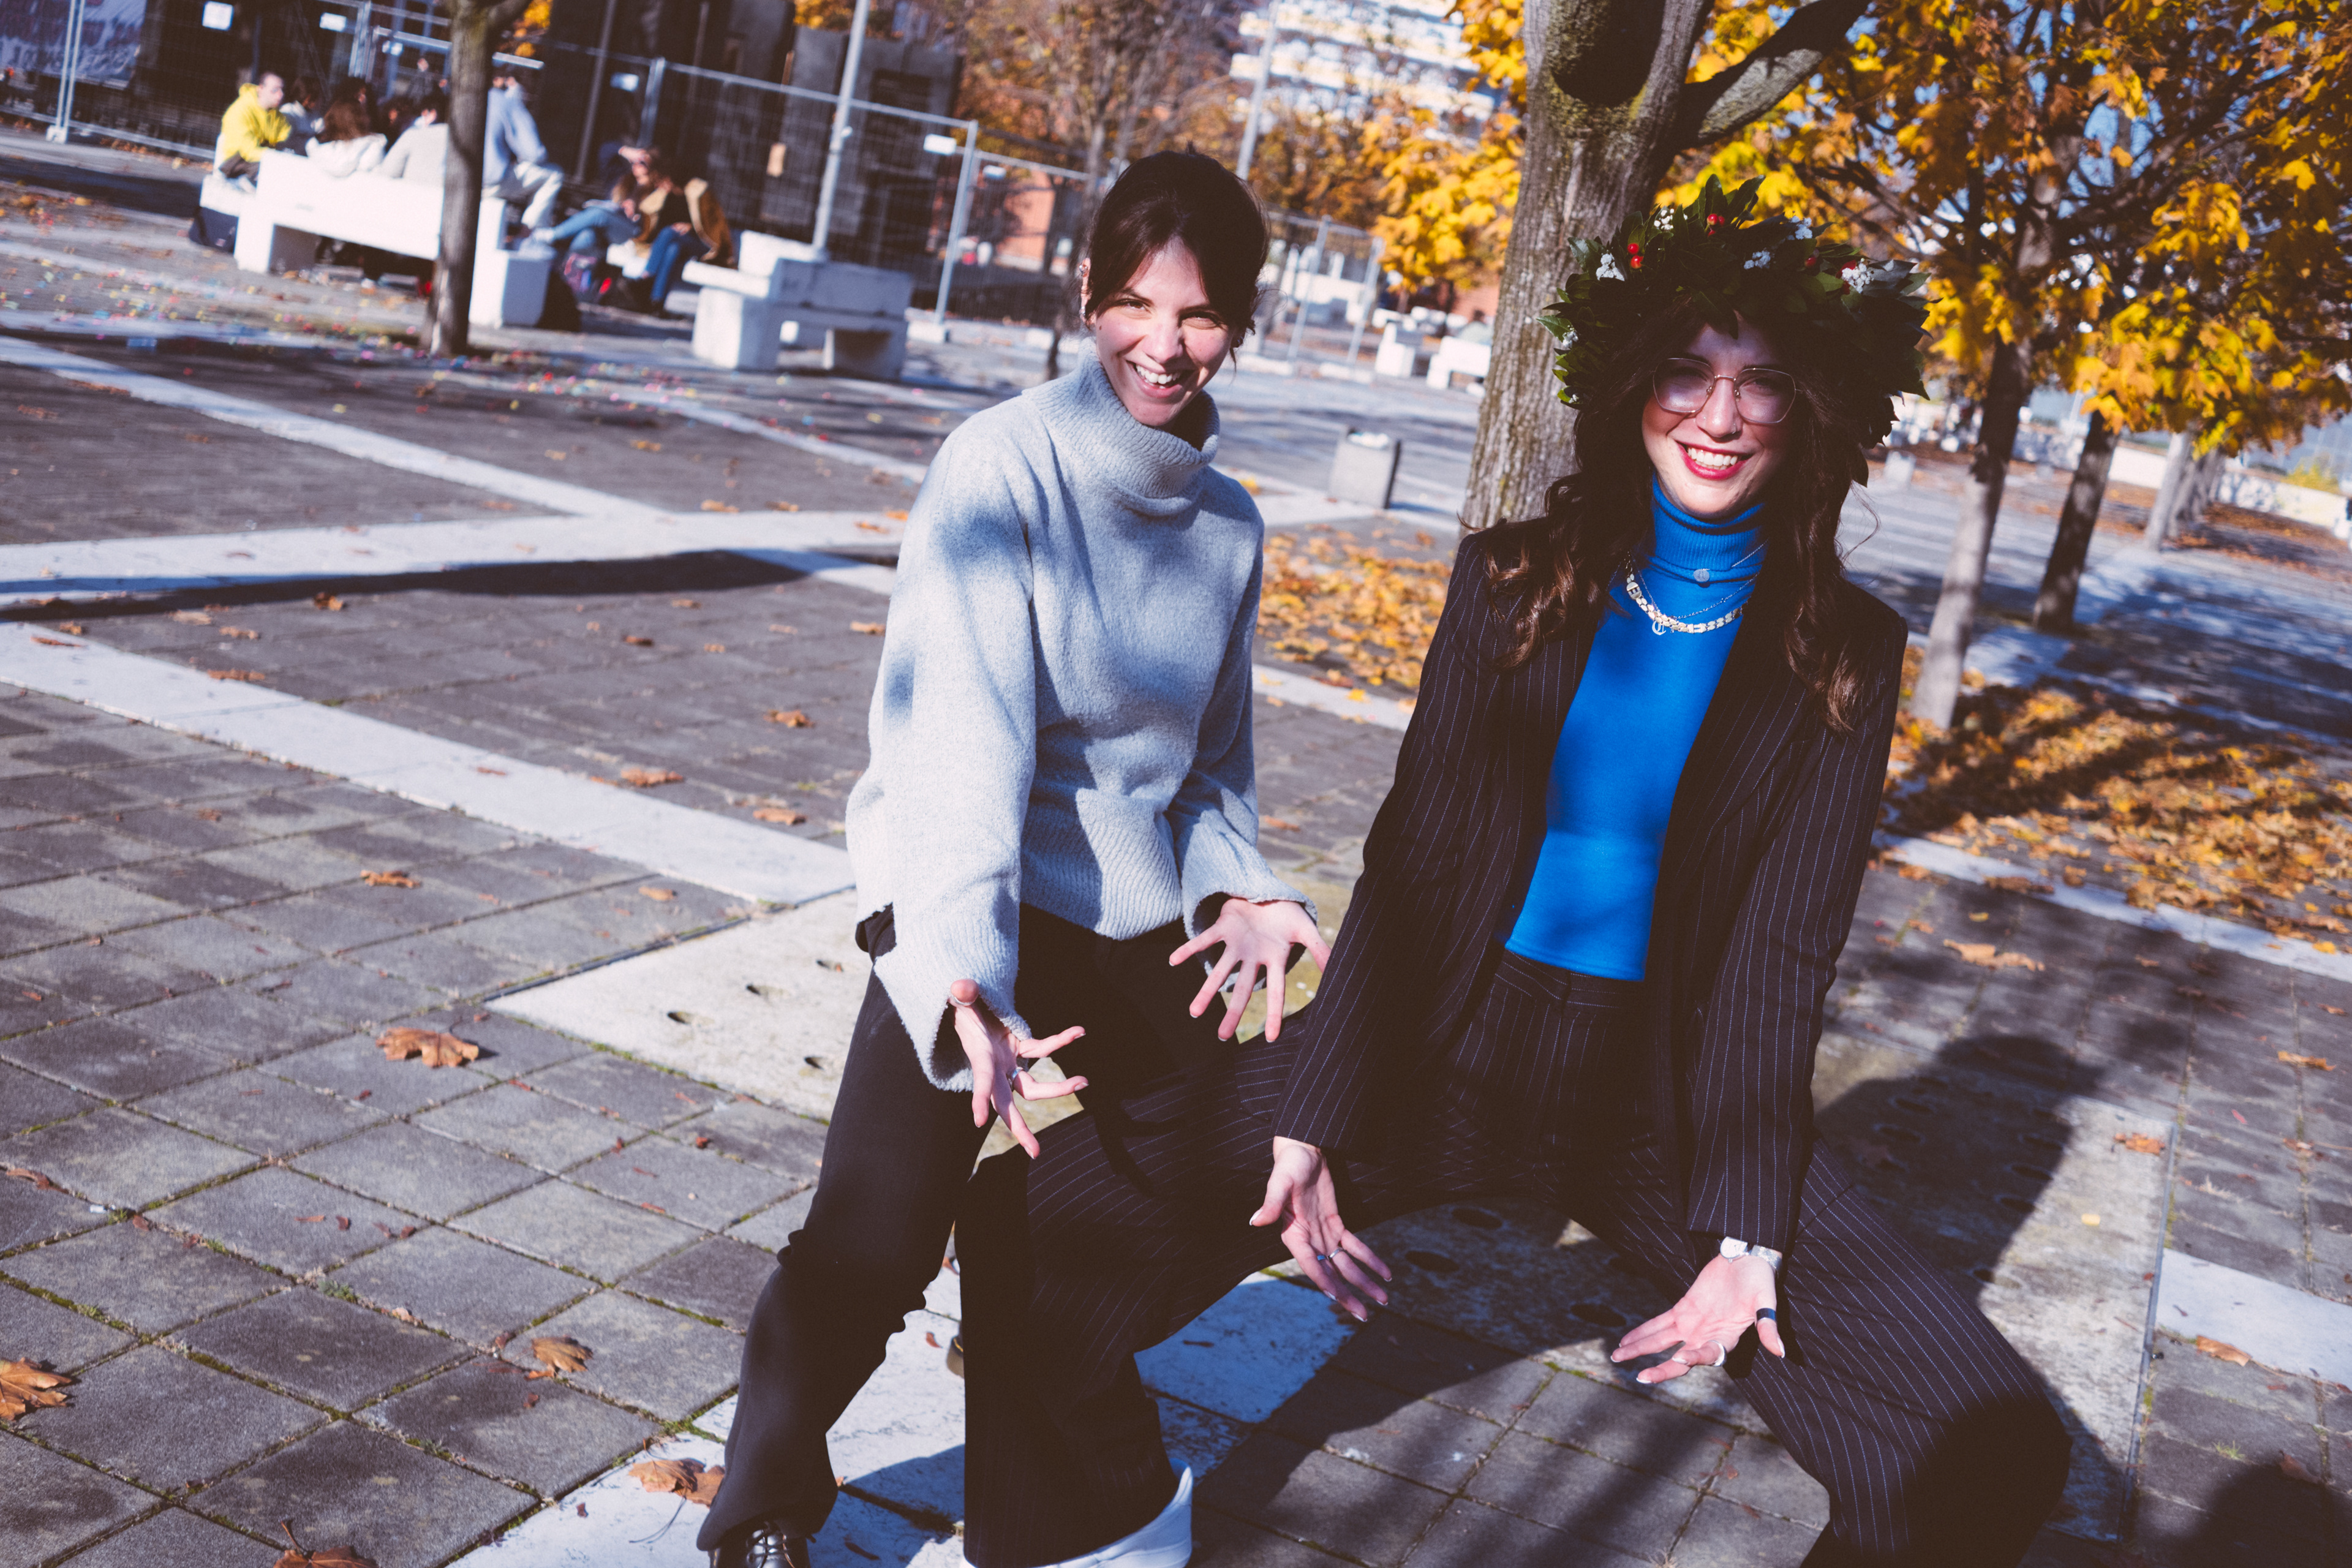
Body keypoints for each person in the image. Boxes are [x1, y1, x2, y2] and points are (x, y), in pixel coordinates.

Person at [955, 176, 2074, 1568]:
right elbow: (1415, 859)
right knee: (1024, 1217)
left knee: (1988, 1438)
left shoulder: (1840, 648)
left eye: (1762, 384)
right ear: (1633, 387)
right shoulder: (1513, 581)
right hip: (1446, 1044)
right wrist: (1313, 1109)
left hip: (1659, 1100)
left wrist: (1747, 1239)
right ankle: (1106, 1517)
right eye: (1686, 372)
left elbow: (1779, 959)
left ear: (1812, 412)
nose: (1720, 414)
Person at [696, 150, 1325, 1568]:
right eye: (1134, 303)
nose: (1163, 343)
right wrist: (964, 984)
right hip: (969, 898)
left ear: (1242, 321)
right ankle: (762, 1507)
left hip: (1135, 922)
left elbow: (1209, 771)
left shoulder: (1229, 525)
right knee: (872, 1243)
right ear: (1085, 293)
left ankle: (1051, 1469)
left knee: (1167, 1210)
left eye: (1200, 314)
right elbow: (960, 755)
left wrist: (1248, 887)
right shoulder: (1000, 468)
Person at [626, 151, 730, 311]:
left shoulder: (698, 193)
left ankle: (646, 277)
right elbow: (656, 223)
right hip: (678, 243)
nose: (659, 185)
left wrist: (691, 228)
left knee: (669, 232)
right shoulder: (667, 197)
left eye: (662, 180)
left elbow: (712, 226)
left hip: (703, 244)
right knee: (673, 250)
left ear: (671, 178)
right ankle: (657, 302)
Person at [486, 69, 563, 230]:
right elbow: (535, 154)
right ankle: (528, 233)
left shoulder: (459, 95)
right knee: (554, 174)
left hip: (448, 178)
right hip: (487, 184)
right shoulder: (506, 102)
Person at [215, 71, 290, 183]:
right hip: (235, 162)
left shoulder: (275, 114)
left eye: (282, 90)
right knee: (272, 168)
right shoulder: (240, 111)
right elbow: (248, 151)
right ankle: (247, 183)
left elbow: (285, 139)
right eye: (275, 90)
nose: (281, 95)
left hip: (259, 158)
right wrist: (277, 157)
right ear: (261, 89)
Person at [378, 92, 448, 186]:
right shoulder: (462, 144)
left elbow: (389, 171)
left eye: (423, 113)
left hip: (412, 192)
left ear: (432, 114)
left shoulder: (413, 135)